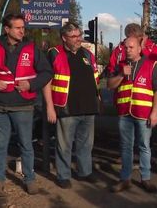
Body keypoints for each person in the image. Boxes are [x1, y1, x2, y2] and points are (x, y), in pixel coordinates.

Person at [0, 13, 53, 196]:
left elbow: (47, 72)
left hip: (23, 106)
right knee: (0, 144)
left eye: (23, 28)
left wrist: (31, 84)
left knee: (26, 145)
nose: (22, 31)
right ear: (7, 29)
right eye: (18, 28)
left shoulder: (31, 48)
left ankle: (29, 179)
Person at [42, 22, 101, 189]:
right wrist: (49, 107)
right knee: (64, 145)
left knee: (86, 144)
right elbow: (46, 81)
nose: (78, 39)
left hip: (89, 107)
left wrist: (98, 100)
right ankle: (63, 175)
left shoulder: (88, 55)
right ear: (64, 38)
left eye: (79, 35)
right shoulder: (54, 53)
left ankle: (85, 172)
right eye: (74, 36)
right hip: (67, 108)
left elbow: (95, 79)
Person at [107, 36, 157, 193]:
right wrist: (121, 75)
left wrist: (155, 112)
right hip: (125, 113)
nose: (127, 50)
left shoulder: (151, 65)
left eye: (131, 47)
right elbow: (110, 85)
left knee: (144, 146)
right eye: (125, 47)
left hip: (144, 113)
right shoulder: (120, 66)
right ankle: (125, 179)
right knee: (125, 147)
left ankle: (145, 179)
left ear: (139, 48)